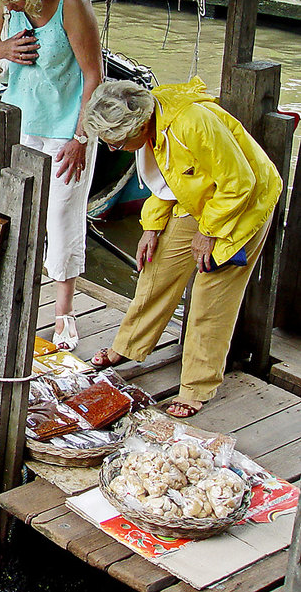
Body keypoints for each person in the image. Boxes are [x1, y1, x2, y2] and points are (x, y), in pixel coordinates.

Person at [82, 78, 281, 418]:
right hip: (199, 197)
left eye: (116, 143)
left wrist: (209, 230)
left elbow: (240, 183)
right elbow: (167, 179)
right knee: (156, 267)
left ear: (137, 126)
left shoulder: (192, 122)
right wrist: (153, 225)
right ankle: (128, 346)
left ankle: (197, 387)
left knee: (211, 294)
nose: (114, 150)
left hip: (242, 203)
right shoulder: (150, 121)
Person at [0, 0, 103, 351]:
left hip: (65, 127)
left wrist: (81, 138)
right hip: (21, 118)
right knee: (17, 211)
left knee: (61, 214)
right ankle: (13, 296)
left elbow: (95, 76)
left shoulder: (71, 0)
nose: (8, 4)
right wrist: (1, 47)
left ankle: (63, 313)